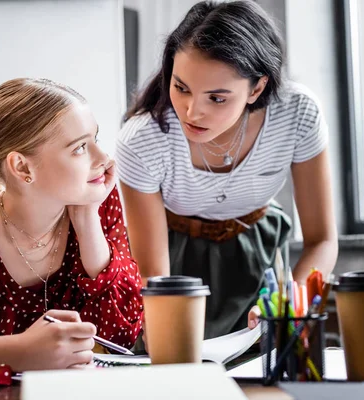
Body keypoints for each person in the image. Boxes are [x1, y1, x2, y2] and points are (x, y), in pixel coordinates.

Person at [116, 0, 338, 340]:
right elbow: (153, 275)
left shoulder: (297, 114)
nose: (192, 112)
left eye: (216, 98)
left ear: (257, 88)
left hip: (260, 257)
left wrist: (289, 303)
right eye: (181, 88)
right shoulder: (143, 139)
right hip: (176, 263)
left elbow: (322, 240)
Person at [0, 78, 143, 386]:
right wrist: (16, 351)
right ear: (22, 168)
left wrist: (87, 220)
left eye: (95, 139)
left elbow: (122, 336)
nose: (103, 159)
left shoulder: (96, 203)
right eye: (81, 147)